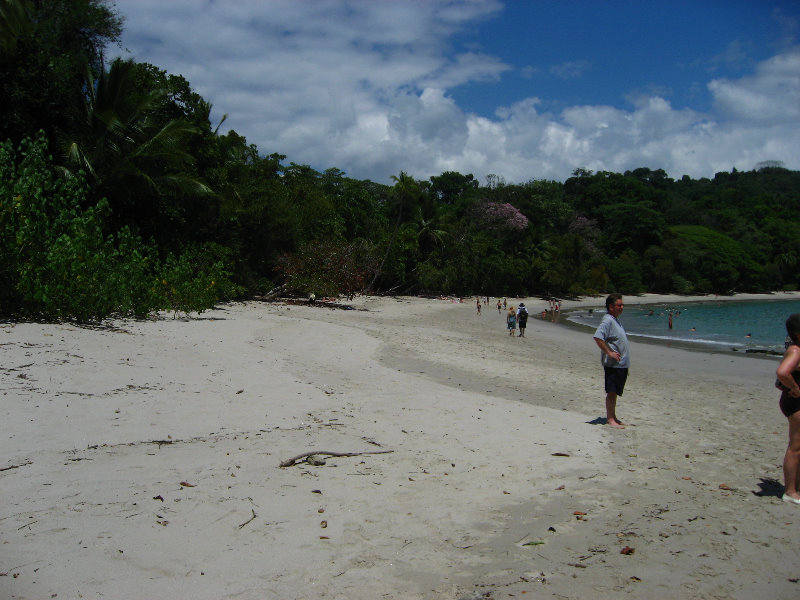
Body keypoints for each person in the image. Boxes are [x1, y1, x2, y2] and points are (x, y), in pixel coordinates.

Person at [593, 293, 629, 428]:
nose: (622, 307)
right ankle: (610, 419)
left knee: (616, 392)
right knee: (612, 391)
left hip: (620, 364)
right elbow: (597, 337)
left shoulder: (615, 319)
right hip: (613, 364)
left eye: (622, 305)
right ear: (611, 307)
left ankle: (613, 417)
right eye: (619, 305)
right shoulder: (608, 320)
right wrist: (609, 352)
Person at [775, 313, 800, 505]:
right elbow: (782, 372)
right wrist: (795, 388)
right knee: (796, 447)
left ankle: (795, 486)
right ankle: (790, 491)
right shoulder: (796, 350)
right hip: (795, 403)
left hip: (792, 402)